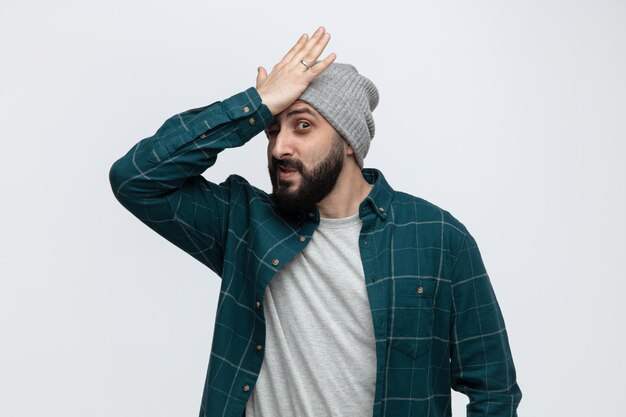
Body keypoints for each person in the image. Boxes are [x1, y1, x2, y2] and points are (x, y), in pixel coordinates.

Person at [109, 26, 522, 417]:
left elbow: (493, 388)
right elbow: (136, 178)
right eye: (272, 130)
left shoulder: (438, 238)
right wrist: (255, 103)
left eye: (302, 126)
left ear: (347, 141)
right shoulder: (245, 223)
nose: (279, 147)